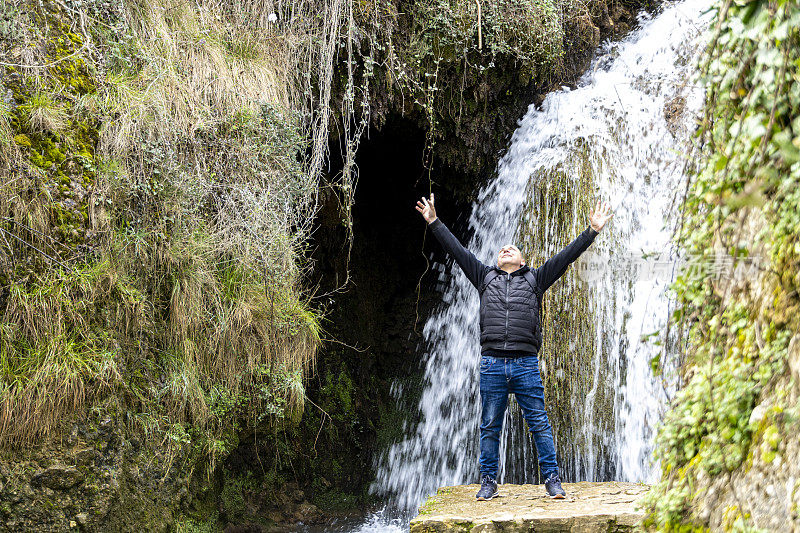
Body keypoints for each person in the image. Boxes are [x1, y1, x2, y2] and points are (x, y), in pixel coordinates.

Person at [415, 193, 614, 500]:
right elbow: (456, 250)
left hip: (524, 363)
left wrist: (592, 231)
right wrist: (434, 222)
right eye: (501, 249)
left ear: (523, 261)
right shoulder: (484, 277)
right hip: (492, 362)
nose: (505, 249)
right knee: (490, 426)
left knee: (539, 424)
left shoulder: (536, 279)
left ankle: (551, 480)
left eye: (512, 249)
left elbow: (566, 257)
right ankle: (488, 482)